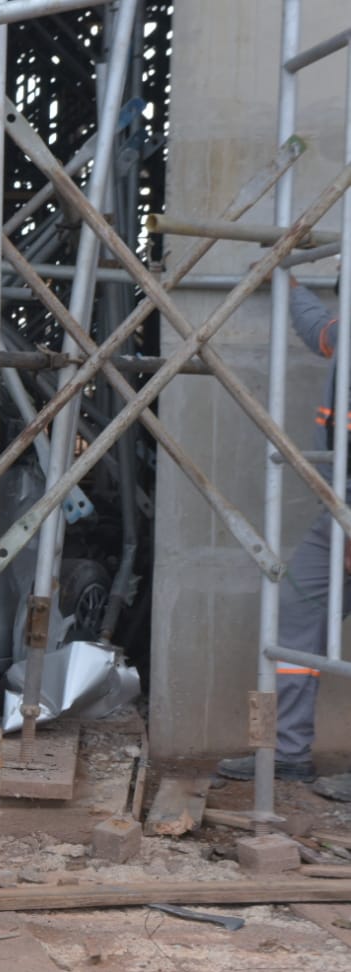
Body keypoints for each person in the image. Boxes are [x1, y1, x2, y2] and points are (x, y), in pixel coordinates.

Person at [217, 269, 347, 802]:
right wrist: (287, 280)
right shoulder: (345, 333)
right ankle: (287, 752)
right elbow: (315, 326)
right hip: (335, 516)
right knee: (294, 618)